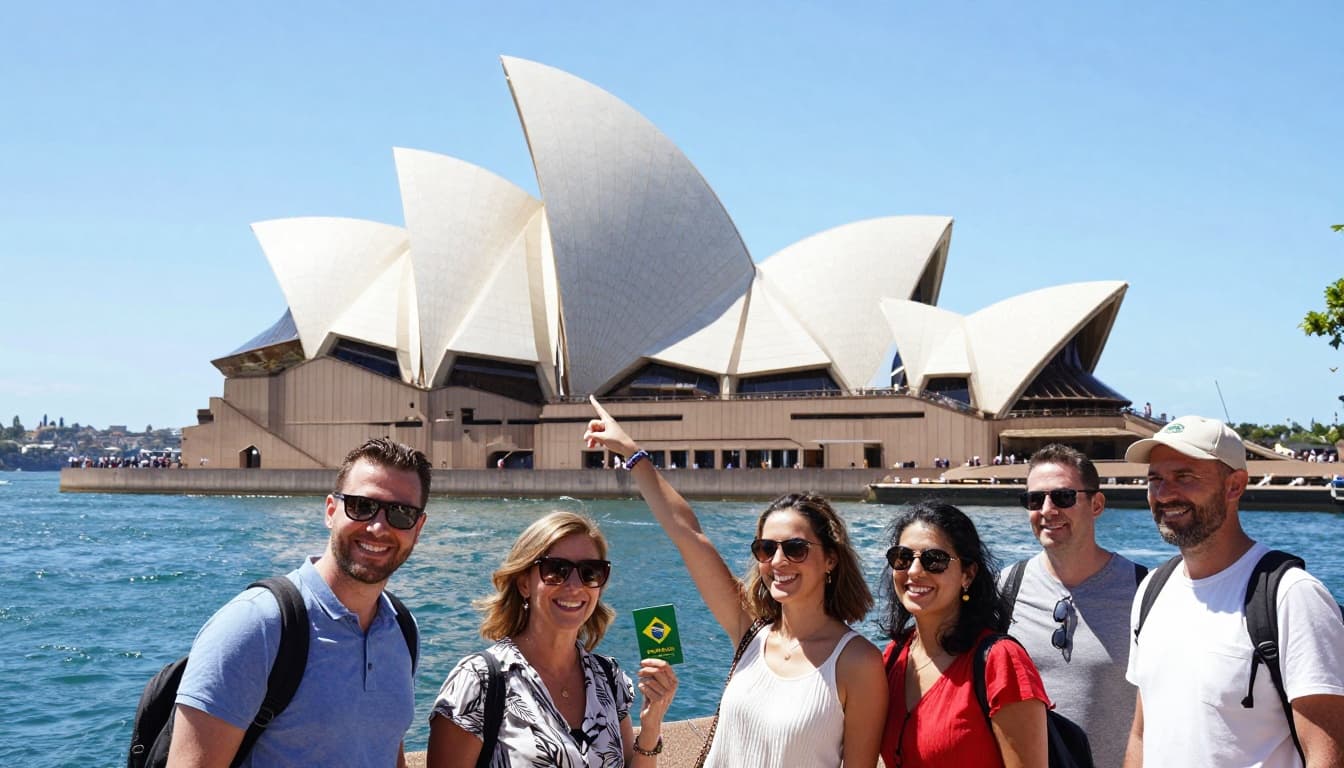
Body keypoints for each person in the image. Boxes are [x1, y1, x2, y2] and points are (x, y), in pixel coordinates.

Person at [584, 396, 887, 767]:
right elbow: (689, 534)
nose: (778, 562)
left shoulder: (858, 662)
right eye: (765, 548)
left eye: (795, 548)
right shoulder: (749, 630)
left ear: (831, 559)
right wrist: (631, 451)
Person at [169, 438, 432, 767]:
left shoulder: (402, 629)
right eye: (362, 507)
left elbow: (383, 750)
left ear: (418, 528)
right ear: (331, 511)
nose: (378, 526)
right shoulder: (255, 625)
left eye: (401, 513)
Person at [1122, 415, 1344, 768]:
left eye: (1184, 477)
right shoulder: (1152, 590)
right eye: (1155, 479)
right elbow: (1142, 734)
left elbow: (1328, 753)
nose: (1164, 494)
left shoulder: (1292, 596)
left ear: (1235, 486)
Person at [426, 510, 678, 767]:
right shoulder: (476, 681)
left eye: (590, 572)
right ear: (524, 583)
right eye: (557, 570)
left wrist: (651, 725)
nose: (575, 585)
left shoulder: (609, 679)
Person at [1001, 444, 1144, 768]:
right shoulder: (1005, 589)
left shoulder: (1144, 590)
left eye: (1063, 497)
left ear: (1097, 504)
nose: (1048, 510)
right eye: (1035, 500)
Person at [878, 500, 1051, 768]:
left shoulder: (1001, 662)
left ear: (967, 575)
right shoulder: (894, 656)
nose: (913, 571)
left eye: (933, 560)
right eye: (902, 557)